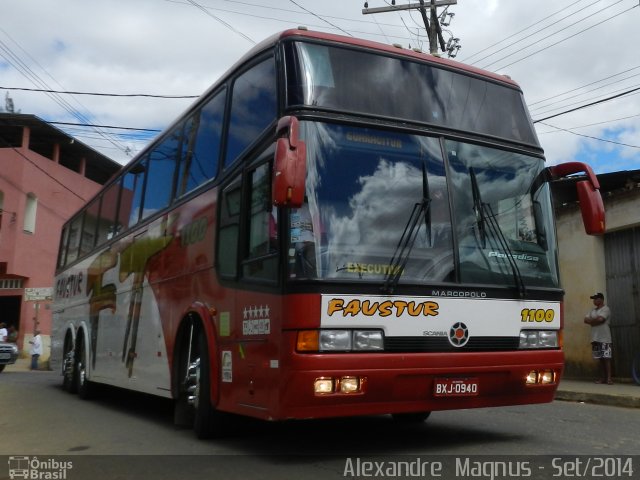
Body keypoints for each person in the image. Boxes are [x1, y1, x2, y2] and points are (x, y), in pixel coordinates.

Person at [583, 292, 613, 385]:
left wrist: (591, 321)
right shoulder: (593, 310)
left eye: (596, 299)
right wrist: (594, 321)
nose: (594, 301)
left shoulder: (606, 309)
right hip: (595, 338)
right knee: (600, 359)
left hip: (604, 337)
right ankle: (602, 378)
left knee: (606, 359)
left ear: (601, 299)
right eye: (593, 299)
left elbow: (601, 320)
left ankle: (609, 379)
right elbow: (585, 320)